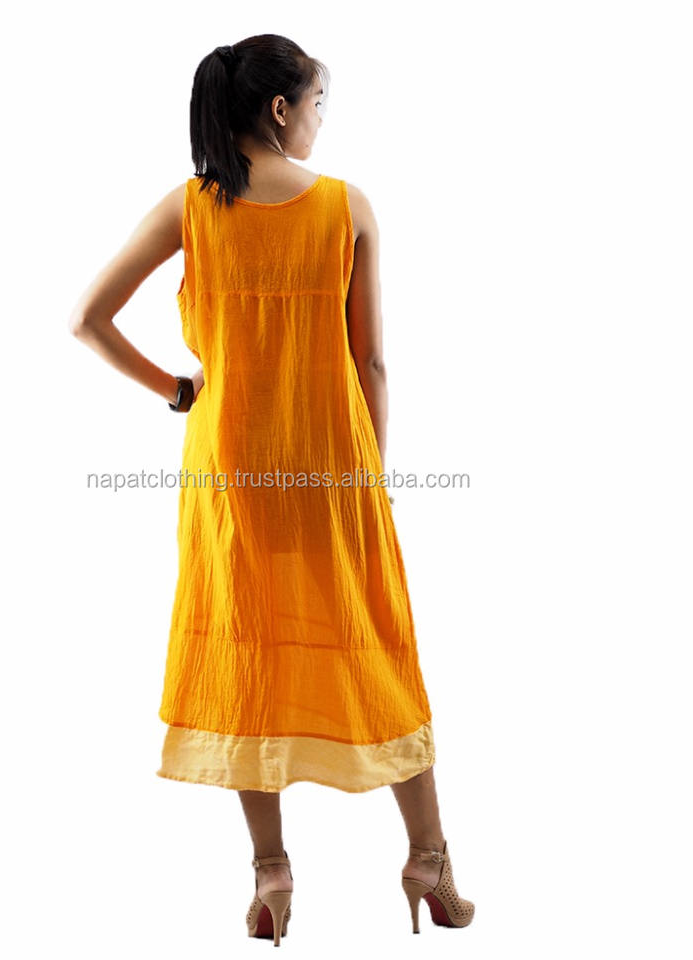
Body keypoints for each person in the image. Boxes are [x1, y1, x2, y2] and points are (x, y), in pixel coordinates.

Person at [68, 33, 474, 944]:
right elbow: (371, 362)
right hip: (330, 469)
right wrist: (372, 480)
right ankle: (429, 858)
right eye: (320, 103)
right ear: (282, 108)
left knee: (249, 649)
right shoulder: (346, 206)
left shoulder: (191, 206)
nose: (323, 121)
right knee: (375, 645)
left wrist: (180, 390)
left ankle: (271, 874)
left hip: (230, 478)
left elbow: (87, 318)